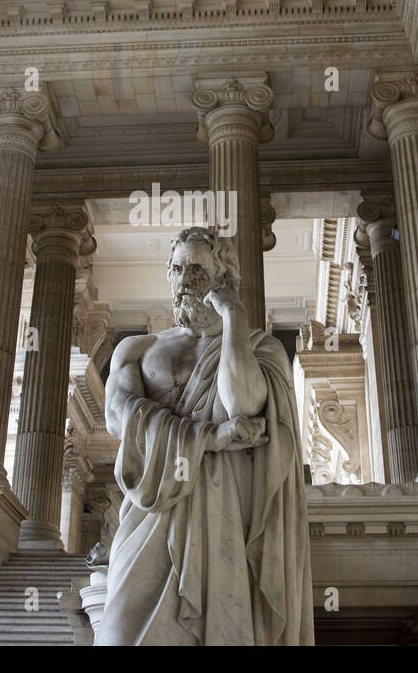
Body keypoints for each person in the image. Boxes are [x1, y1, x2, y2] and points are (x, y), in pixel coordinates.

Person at [97, 226, 314, 645]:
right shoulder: (137, 349)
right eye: (177, 268)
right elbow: (117, 418)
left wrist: (234, 319)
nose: (185, 280)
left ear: (223, 278)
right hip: (153, 507)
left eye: (198, 269)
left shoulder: (258, 347)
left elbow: (244, 405)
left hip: (222, 508)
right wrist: (211, 437)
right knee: (119, 634)